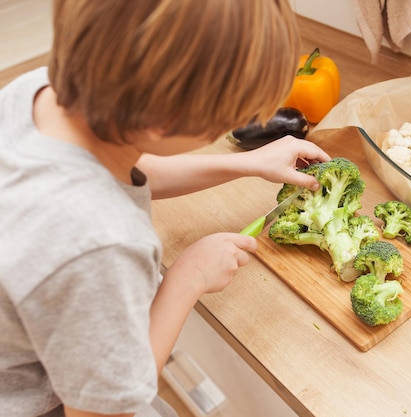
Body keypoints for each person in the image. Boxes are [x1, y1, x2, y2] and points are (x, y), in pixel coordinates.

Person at [0, 1, 331, 416]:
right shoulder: (99, 245)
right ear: (165, 123)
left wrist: (241, 163)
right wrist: (187, 278)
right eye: (225, 120)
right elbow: (103, 410)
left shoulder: (38, 91)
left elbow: (119, 164)